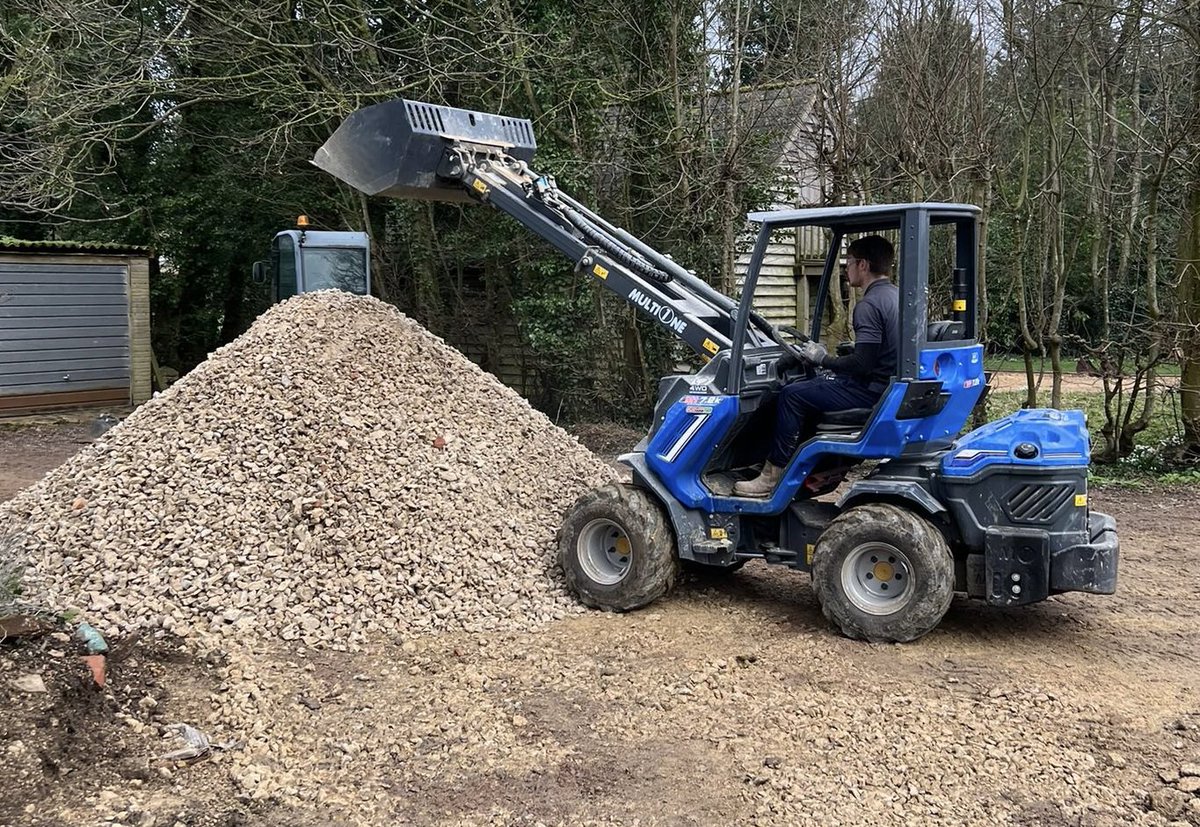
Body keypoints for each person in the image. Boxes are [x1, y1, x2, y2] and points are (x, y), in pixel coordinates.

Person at [734, 234, 900, 498]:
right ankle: (797, 463)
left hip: (870, 391)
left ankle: (771, 476)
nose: (847, 269)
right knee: (814, 387)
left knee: (791, 395)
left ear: (864, 265)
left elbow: (862, 363)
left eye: (849, 262)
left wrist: (822, 359)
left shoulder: (868, 306)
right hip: (885, 388)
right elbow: (877, 352)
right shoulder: (897, 298)